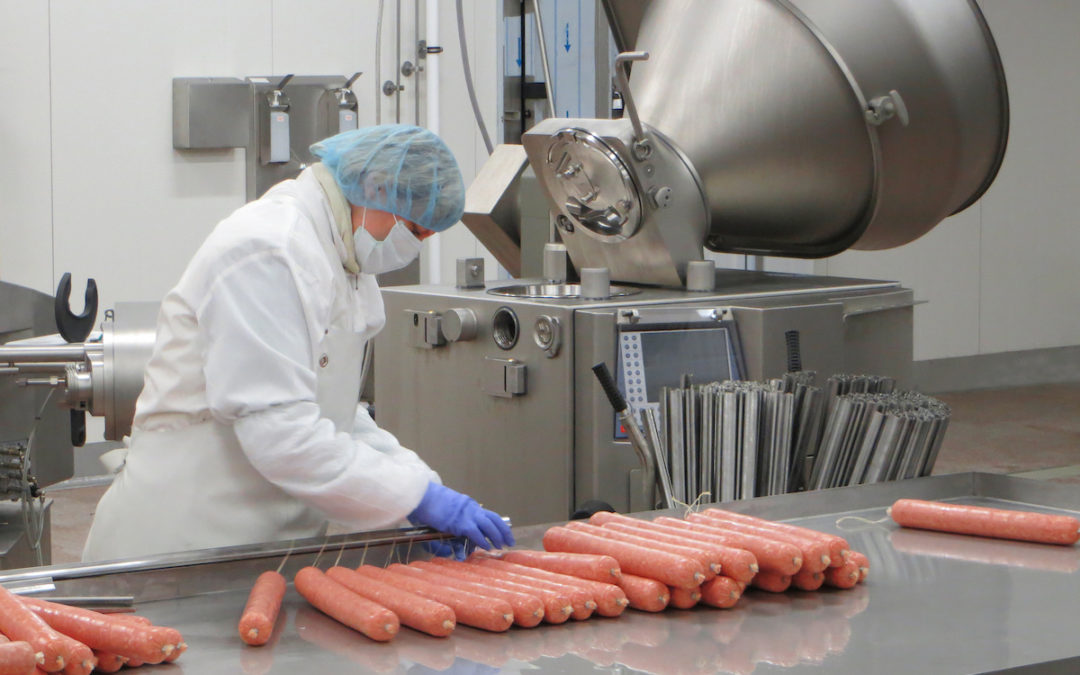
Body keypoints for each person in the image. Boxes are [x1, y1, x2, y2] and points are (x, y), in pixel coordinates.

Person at [82, 125, 513, 561]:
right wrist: (412, 497)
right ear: (376, 188)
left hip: (263, 551)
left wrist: (419, 485)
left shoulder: (343, 260)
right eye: (415, 230)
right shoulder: (270, 249)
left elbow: (336, 413)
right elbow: (280, 433)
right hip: (182, 542)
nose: (414, 247)